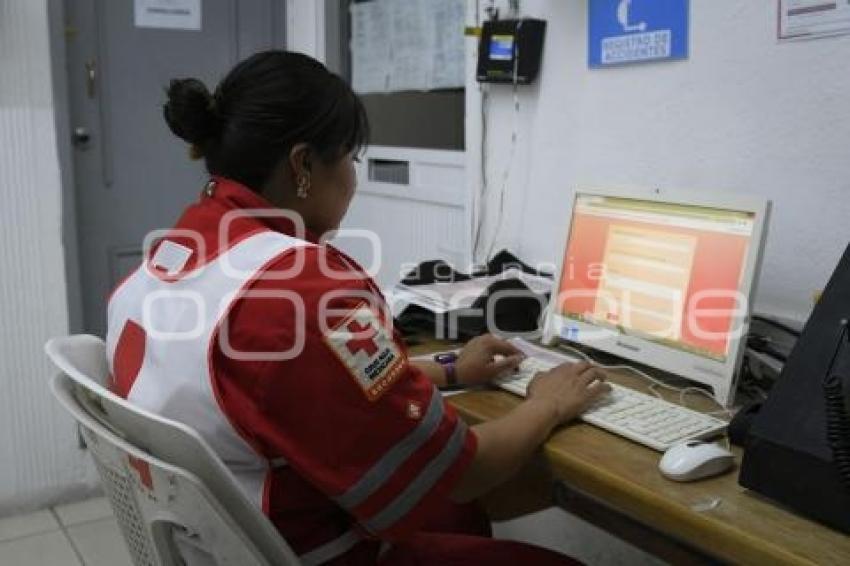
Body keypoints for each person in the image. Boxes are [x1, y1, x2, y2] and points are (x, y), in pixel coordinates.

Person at [106, 50, 610, 565]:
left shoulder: (174, 255)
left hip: (219, 544)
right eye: (350, 157)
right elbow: (465, 471)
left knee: (459, 520)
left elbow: (287, 383)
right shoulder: (302, 291)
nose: (353, 176)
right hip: (312, 550)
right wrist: (548, 402)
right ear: (303, 165)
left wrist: (452, 367)